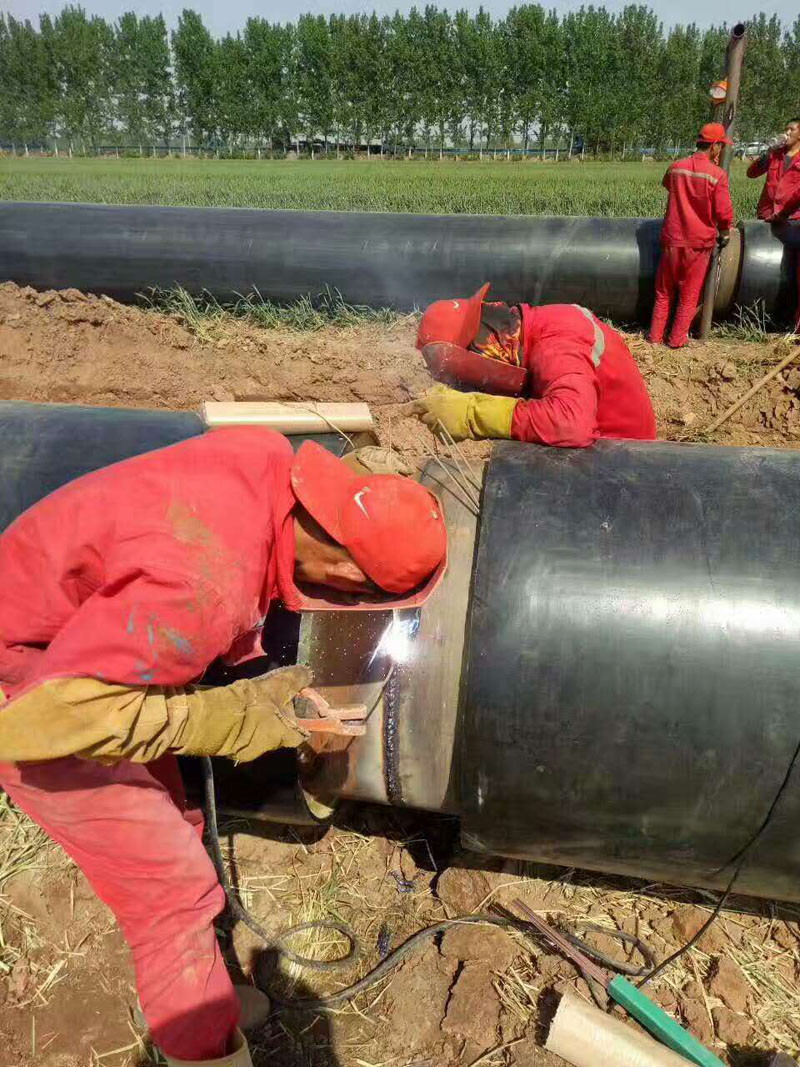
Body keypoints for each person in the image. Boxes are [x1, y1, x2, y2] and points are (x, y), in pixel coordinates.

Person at [0, 428, 446, 1067]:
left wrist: (266, 700)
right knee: (170, 888)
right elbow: (61, 719)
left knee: (179, 820)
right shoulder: (205, 587)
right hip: (30, 698)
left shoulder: (268, 459)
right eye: (364, 596)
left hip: (83, 651)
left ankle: (201, 990)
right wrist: (245, 717)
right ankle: (200, 1045)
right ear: (349, 570)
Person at [410, 285, 656, 447]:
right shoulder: (536, 325)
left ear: (492, 347)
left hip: (622, 461)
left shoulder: (556, 347)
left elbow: (571, 424)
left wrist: (472, 412)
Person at [648, 122, 735, 350]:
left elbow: (667, 184)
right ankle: (676, 341)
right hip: (698, 244)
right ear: (715, 146)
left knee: (663, 292)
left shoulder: (676, 167)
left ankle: (655, 339)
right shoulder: (717, 175)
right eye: (721, 147)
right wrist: (725, 232)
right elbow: (723, 213)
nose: (722, 151)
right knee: (689, 295)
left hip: (672, 239)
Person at [748, 118, 800, 330]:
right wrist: (766, 152)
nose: (786, 132)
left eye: (791, 129)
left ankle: (789, 316)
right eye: (785, 128)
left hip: (793, 218)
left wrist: (784, 213)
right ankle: (758, 313)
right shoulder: (775, 155)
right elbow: (751, 173)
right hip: (767, 217)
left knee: (791, 269)